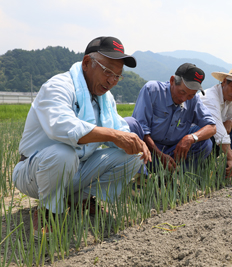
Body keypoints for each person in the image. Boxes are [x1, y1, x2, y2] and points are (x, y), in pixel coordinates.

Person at [12, 36, 151, 236]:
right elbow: (62, 128)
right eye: (108, 72)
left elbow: (120, 129)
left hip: (77, 169)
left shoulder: (105, 98)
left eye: (117, 76)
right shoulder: (58, 86)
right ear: (87, 63)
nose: (112, 81)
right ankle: (49, 210)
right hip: (35, 172)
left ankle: (80, 200)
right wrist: (113, 136)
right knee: (63, 154)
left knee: (133, 155)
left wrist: (135, 143)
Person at [127, 63, 216, 172]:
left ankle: (177, 177)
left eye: (190, 95)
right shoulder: (152, 90)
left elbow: (211, 127)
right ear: (172, 81)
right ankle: (143, 178)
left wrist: (191, 138)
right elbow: (142, 128)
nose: (184, 98)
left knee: (205, 142)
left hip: (174, 152)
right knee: (130, 124)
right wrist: (159, 155)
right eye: (182, 92)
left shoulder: (194, 100)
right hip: (149, 151)